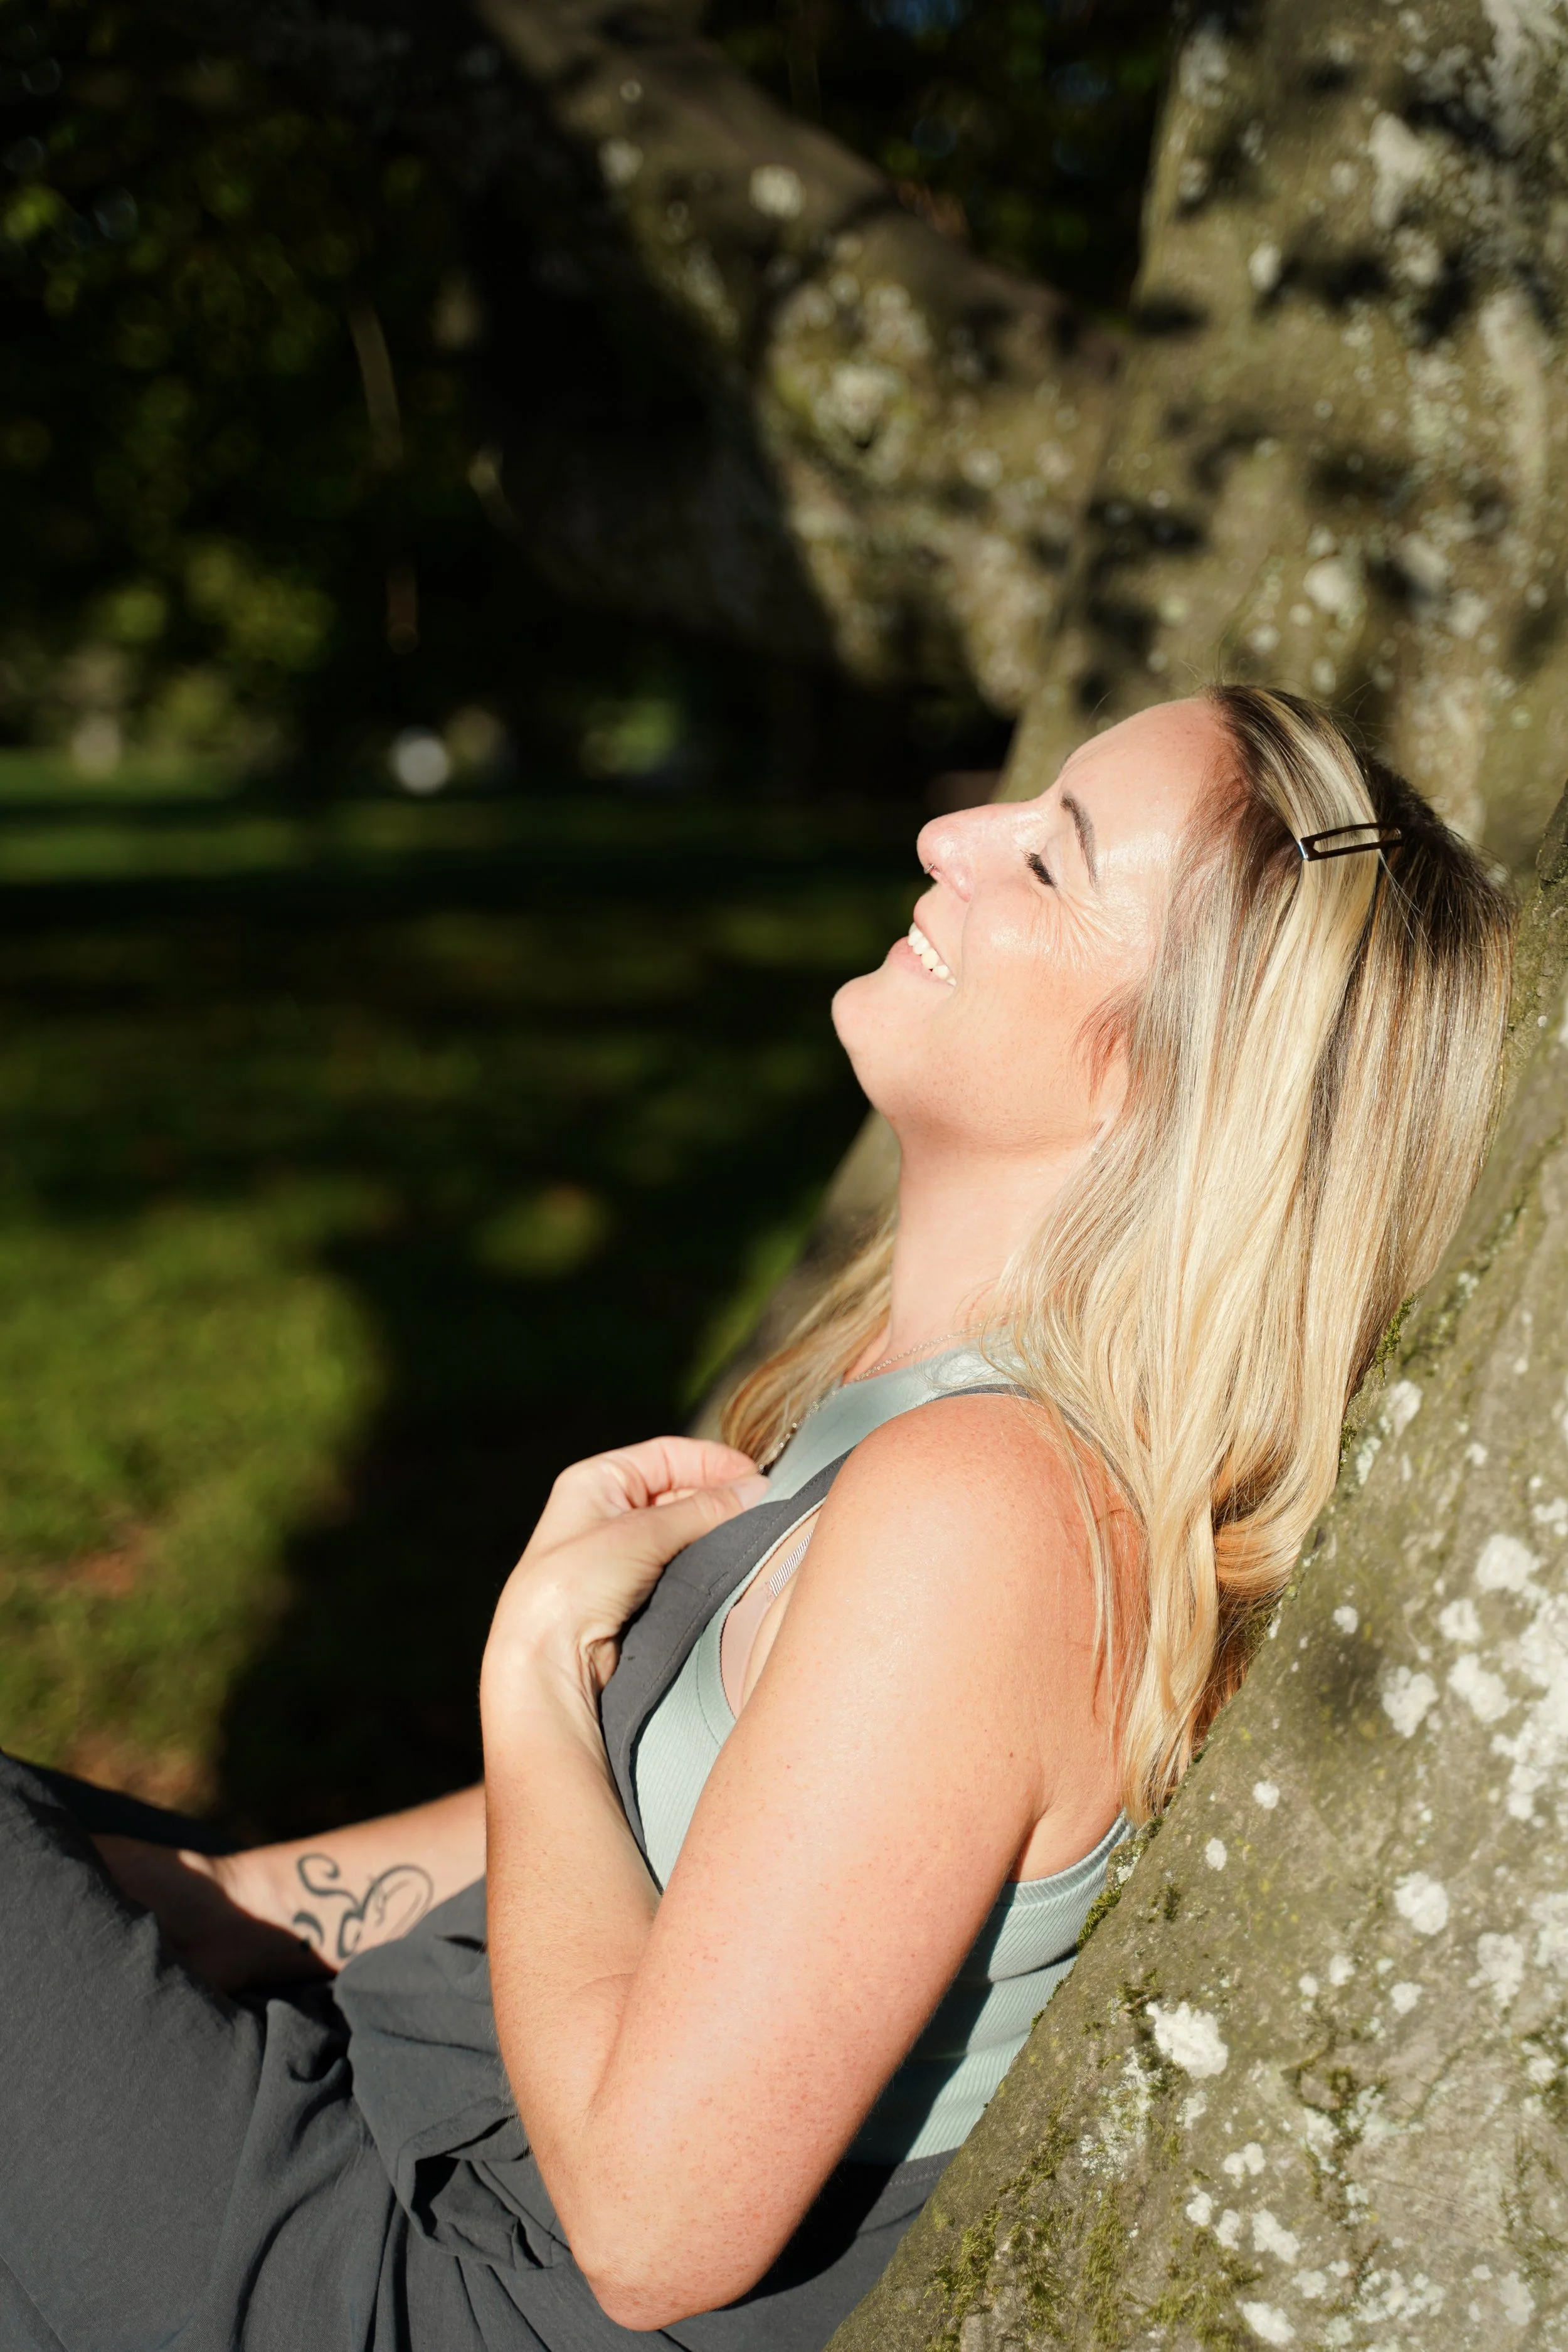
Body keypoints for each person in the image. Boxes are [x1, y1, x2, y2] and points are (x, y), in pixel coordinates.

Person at [0, 687, 1512, 2351]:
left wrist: (533, 1675)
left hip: (434, 2286)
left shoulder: (997, 1512)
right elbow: (669, 1854)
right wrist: (222, 1899)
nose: (948, 839)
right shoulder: (897, 1400)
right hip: (401, 2131)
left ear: (1177, 1075)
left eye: (1048, 862)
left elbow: (654, 2230)